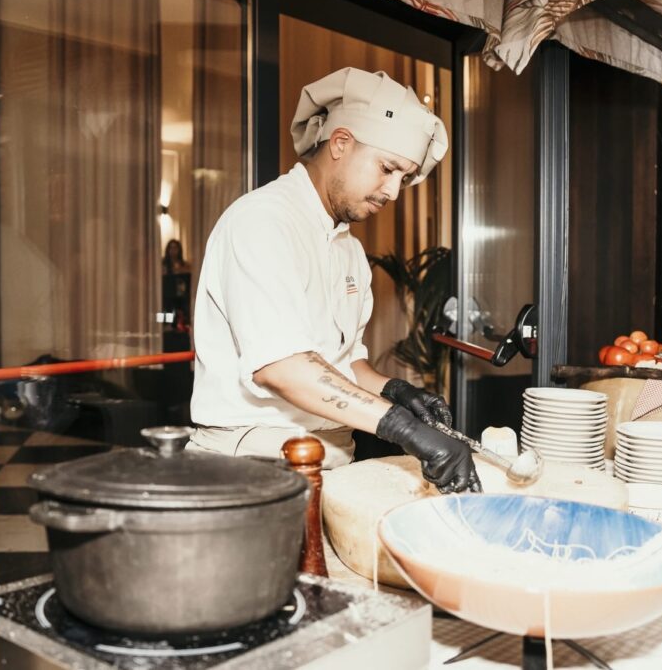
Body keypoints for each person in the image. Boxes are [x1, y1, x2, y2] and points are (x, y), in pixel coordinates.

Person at [189, 68, 480, 494]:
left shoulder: (348, 249)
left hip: (331, 456)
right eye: (387, 168)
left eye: (404, 178)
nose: (394, 192)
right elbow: (283, 368)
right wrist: (400, 427)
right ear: (341, 143)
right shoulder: (264, 221)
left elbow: (344, 364)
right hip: (252, 461)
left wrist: (396, 391)